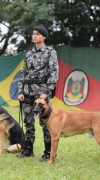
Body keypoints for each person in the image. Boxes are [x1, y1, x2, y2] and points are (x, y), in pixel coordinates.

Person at [17, 25, 59, 161]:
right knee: (28, 121)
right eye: (33, 33)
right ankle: (28, 149)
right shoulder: (29, 53)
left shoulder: (50, 52)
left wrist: (46, 92)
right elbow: (23, 72)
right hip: (28, 92)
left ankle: (48, 153)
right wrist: (21, 90)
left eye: (38, 34)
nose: (34, 36)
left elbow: (54, 73)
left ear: (44, 37)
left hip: (42, 94)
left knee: (46, 124)